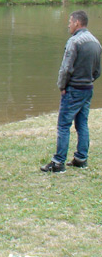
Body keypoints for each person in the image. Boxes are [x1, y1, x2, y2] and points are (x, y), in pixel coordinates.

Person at [41, 10, 101, 173]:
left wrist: (62, 86)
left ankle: (58, 162)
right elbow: (97, 71)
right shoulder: (96, 42)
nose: (68, 24)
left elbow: (66, 68)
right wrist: (88, 80)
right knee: (82, 124)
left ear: (77, 23)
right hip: (88, 89)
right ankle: (81, 158)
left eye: (70, 21)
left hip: (73, 89)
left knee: (63, 125)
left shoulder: (74, 42)